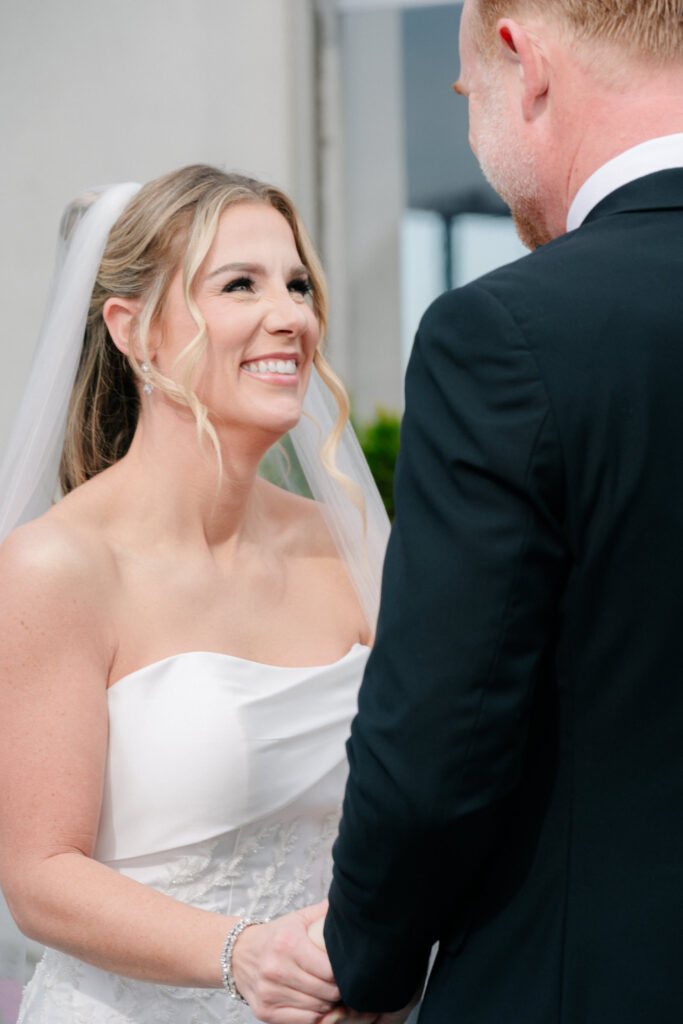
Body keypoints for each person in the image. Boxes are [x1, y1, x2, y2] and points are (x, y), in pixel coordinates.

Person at [322, 1, 683, 1021]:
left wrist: (366, 961)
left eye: (463, 90)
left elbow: (441, 739)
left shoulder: (505, 334)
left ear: (523, 63)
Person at [0, 164, 390, 1024]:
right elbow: (38, 877)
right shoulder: (56, 567)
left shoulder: (349, 546)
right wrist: (242, 953)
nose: (289, 316)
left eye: (296, 285)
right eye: (239, 284)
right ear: (131, 330)